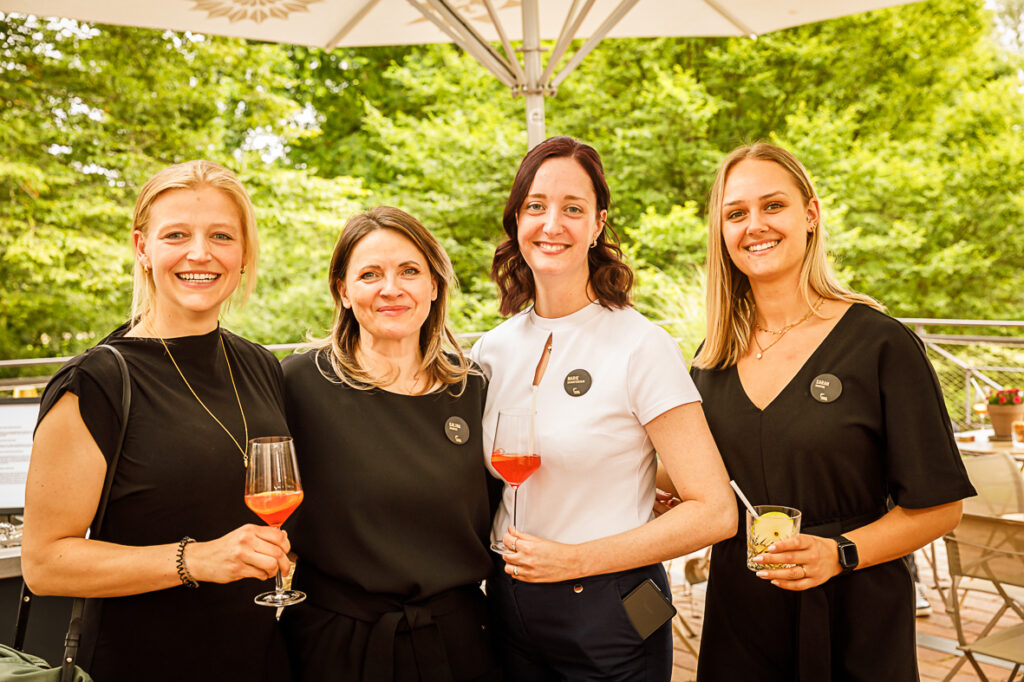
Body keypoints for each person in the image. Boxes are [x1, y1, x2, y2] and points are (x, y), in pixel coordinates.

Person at [688, 142, 976, 680]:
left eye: (773, 206)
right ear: (722, 234)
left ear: (810, 215)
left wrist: (838, 552)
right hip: (742, 618)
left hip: (857, 612)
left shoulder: (880, 344)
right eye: (736, 213)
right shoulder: (711, 360)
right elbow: (709, 475)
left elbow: (941, 507)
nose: (755, 225)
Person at [472, 136, 735, 680]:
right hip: (506, 604)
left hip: (615, 606)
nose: (552, 223)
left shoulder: (641, 345)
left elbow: (715, 511)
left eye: (573, 209)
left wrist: (575, 561)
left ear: (597, 225)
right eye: (536, 206)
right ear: (516, 220)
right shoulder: (490, 350)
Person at [22, 160, 293, 681]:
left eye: (220, 235)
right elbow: (44, 563)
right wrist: (195, 560)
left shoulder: (260, 364)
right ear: (143, 249)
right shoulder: (96, 382)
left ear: (242, 255)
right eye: (176, 235)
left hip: (261, 659)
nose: (200, 253)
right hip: (143, 663)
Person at [280, 206, 500, 681]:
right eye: (370, 274)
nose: (391, 289)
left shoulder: (475, 389)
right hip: (335, 645)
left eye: (409, 271)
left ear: (434, 284)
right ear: (343, 290)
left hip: (460, 642)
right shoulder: (297, 384)